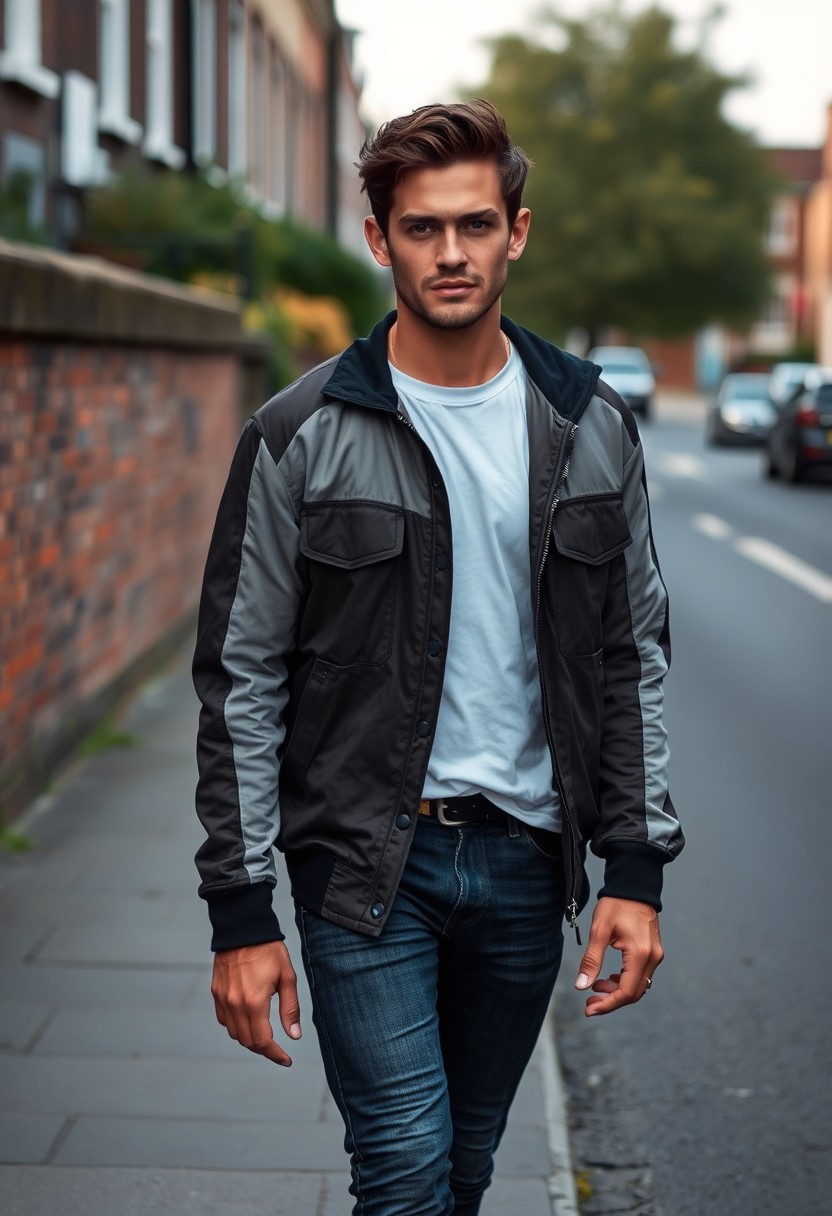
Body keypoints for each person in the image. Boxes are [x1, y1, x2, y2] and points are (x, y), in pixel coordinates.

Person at [193, 99, 684, 1216]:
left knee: (461, 1170)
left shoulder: (589, 423)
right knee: (407, 1169)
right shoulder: (299, 432)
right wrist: (241, 907)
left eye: (474, 224)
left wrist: (636, 871)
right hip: (365, 864)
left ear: (518, 229)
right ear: (380, 239)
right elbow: (241, 674)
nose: (450, 253)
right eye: (421, 228)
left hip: (523, 863)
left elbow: (630, 650)